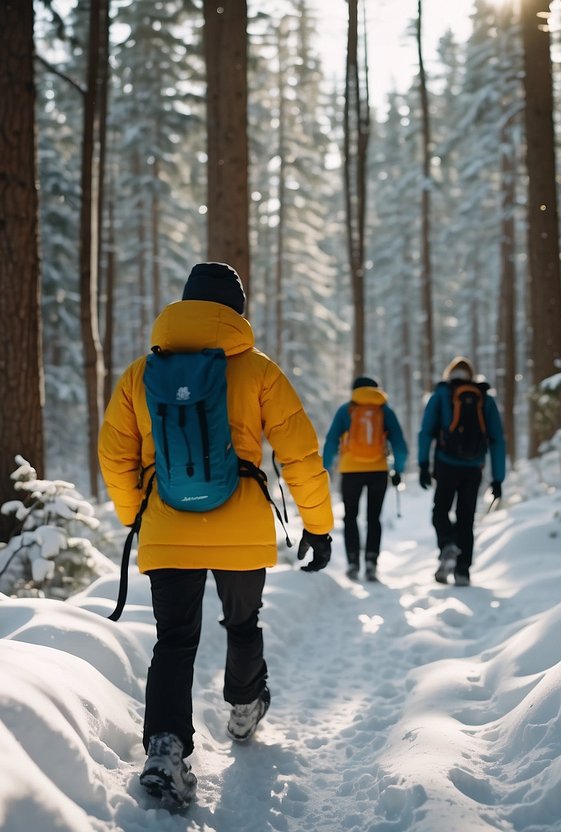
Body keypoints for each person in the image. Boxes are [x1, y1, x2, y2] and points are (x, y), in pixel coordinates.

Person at [98, 262, 334, 809]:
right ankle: (245, 705)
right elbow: (298, 453)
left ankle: (164, 748)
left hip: (166, 525)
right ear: (236, 312)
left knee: (174, 641)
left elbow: (115, 455)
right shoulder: (258, 371)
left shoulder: (141, 373)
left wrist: (137, 513)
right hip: (242, 527)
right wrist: (317, 526)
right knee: (243, 622)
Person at [416, 355, 506, 586]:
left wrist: (424, 464)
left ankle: (447, 545)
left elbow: (426, 431)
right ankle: (462, 570)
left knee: (440, 511)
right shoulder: (484, 397)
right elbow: (497, 439)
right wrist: (498, 478)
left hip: (446, 464)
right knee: (466, 518)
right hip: (474, 467)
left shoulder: (441, 395)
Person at [322, 376, 408, 581]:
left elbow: (332, 440)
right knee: (373, 518)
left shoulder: (346, 409)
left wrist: (325, 468)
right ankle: (371, 563)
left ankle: (353, 562)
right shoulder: (384, 410)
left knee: (350, 517)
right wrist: (398, 469)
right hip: (378, 470)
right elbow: (400, 444)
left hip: (350, 470)